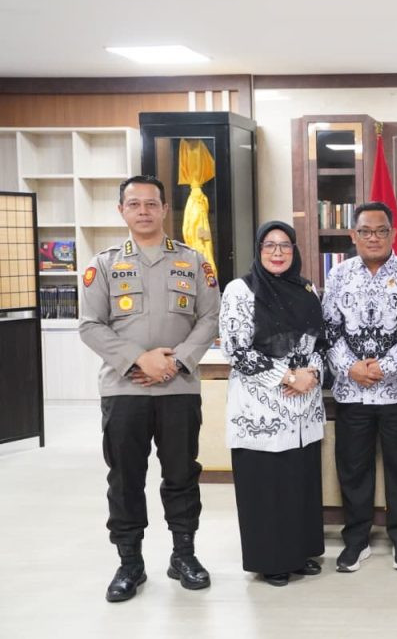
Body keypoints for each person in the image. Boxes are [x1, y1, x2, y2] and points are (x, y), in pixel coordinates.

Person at [79, 175, 220, 602]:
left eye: (151, 203)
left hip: (179, 387)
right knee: (125, 479)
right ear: (121, 210)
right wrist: (140, 360)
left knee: (181, 475)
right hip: (125, 390)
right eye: (134, 203)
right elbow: (90, 325)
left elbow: (210, 318)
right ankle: (130, 563)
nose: (143, 211)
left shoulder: (194, 262)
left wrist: (174, 362)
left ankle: (184, 556)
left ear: (164, 209)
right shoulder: (104, 265)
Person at [219, 221, 326, 587]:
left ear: (294, 250)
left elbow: (320, 342)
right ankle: (272, 561)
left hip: (303, 409)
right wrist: (288, 377)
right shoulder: (241, 290)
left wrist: (312, 373)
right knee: (266, 487)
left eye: (285, 245)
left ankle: (300, 553)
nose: (278, 252)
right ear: (258, 250)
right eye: (269, 245)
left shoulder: (306, 289)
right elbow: (236, 350)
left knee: (298, 484)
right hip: (261, 408)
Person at [322, 202, 397, 573]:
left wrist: (384, 367)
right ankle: (356, 539)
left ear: (393, 234)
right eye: (365, 231)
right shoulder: (339, 275)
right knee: (353, 467)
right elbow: (329, 330)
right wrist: (351, 367)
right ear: (354, 235)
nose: (373, 238)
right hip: (353, 392)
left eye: (381, 231)